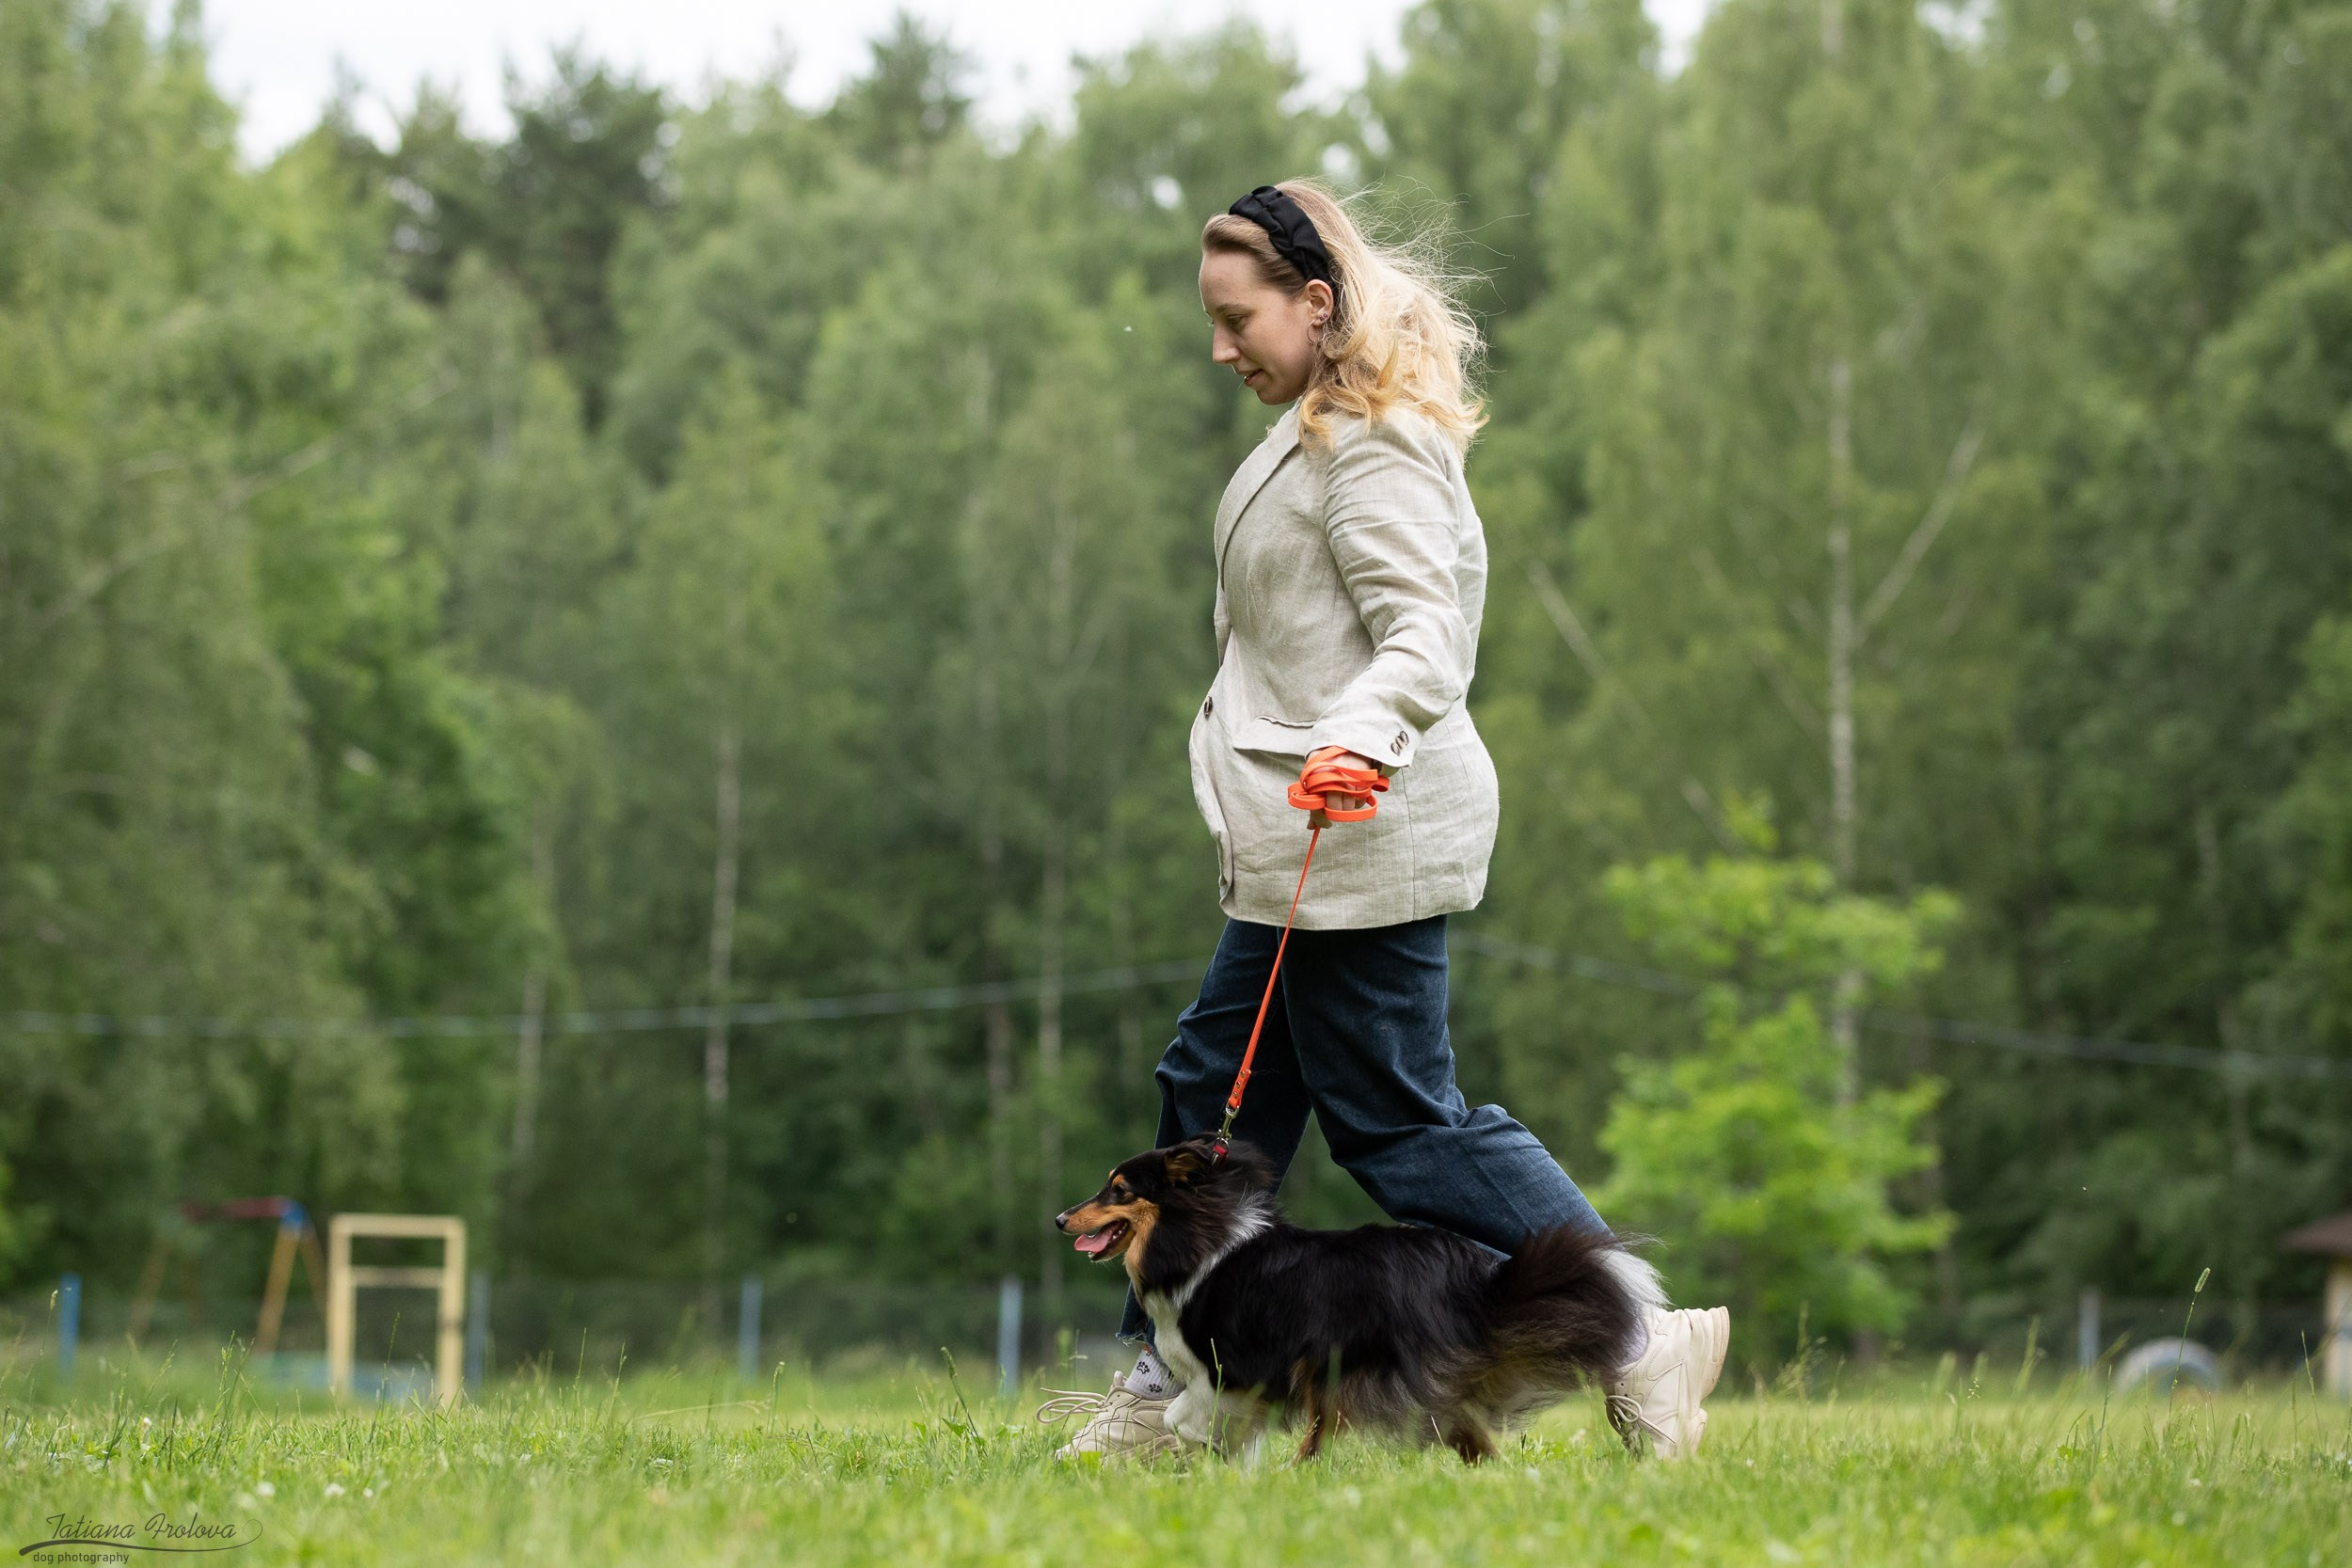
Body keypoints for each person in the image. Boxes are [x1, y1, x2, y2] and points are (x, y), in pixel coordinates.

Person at [1039, 180, 1727, 1461]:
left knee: (1403, 1120)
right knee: (1213, 1097)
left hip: (1365, 832)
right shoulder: (1319, 429)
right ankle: (1182, 1385)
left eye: (1237, 320)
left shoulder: (1375, 445)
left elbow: (1425, 634)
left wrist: (1359, 733)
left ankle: (1644, 1337)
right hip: (1301, 848)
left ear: (1317, 299)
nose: (1218, 348)